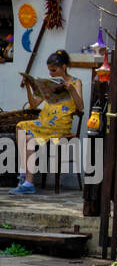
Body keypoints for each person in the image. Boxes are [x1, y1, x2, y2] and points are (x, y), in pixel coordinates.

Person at [10, 50, 83, 195]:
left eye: (54, 70)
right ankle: (27, 180)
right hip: (45, 122)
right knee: (24, 132)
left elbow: (80, 107)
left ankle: (25, 176)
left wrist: (72, 90)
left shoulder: (76, 82)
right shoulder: (50, 84)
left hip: (60, 124)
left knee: (25, 132)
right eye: (49, 70)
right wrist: (29, 87)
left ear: (63, 67)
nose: (51, 73)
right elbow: (33, 105)